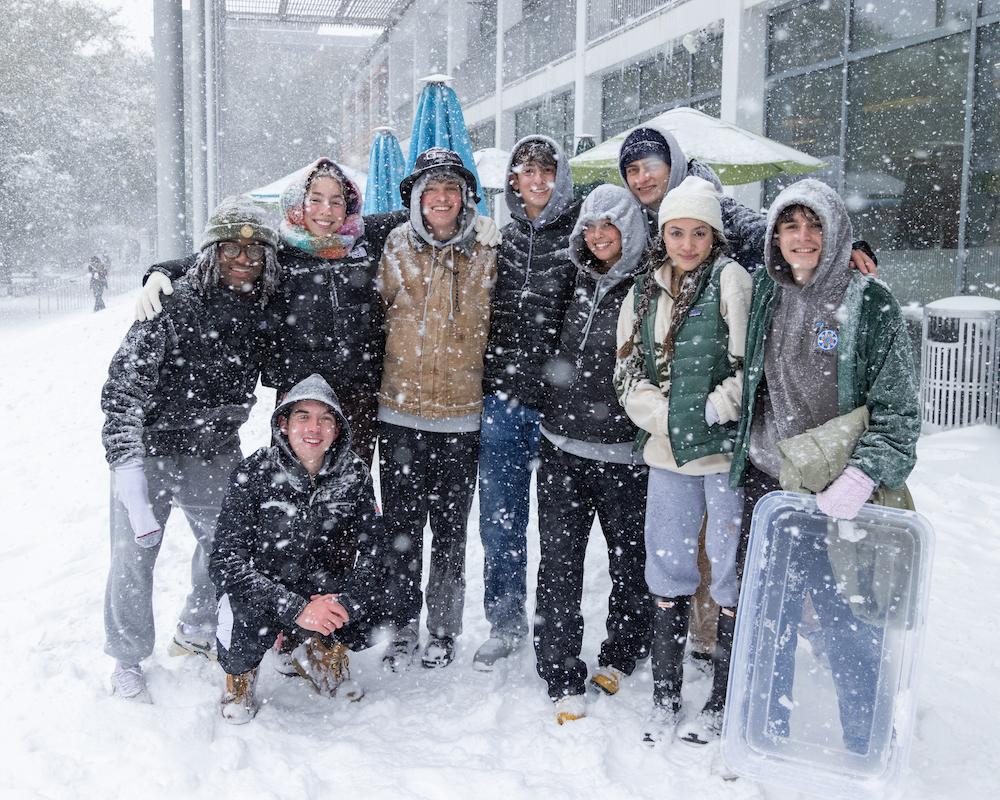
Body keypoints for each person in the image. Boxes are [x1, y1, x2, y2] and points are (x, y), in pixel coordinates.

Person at [617, 124, 878, 667]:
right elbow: (628, 363)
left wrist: (837, 244)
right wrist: (663, 415)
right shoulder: (640, 254)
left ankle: (740, 672)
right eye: (633, 169)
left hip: (740, 447)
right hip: (671, 444)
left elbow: (776, 232)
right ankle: (688, 662)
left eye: (651, 166)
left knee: (740, 561)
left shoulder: (729, 257)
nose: (642, 177)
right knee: (676, 556)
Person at [134, 161, 500, 466]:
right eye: (316, 200)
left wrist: (475, 221)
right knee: (293, 496)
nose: (327, 211)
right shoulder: (278, 248)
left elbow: (428, 213)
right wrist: (163, 271)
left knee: (348, 496)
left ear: (349, 206)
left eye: (336, 201)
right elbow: (220, 259)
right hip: (298, 395)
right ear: (300, 203)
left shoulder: (365, 237)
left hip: (358, 394)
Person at [729, 178, 920, 753]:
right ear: (776, 235)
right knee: (769, 618)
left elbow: (900, 413)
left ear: (836, 230)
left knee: (847, 623)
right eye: (790, 226)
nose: (803, 237)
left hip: (840, 495)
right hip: (770, 489)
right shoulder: (766, 289)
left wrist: (863, 475)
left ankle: (865, 741)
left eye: (815, 225)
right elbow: (720, 230)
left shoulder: (870, 302)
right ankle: (765, 730)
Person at [101, 198, 280, 702]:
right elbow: (121, 392)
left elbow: (320, 248)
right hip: (151, 450)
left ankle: (197, 625)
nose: (243, 258)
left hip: (215, 449)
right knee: (133, 556)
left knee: (227, 546)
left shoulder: (263, 307)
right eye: (230, 248)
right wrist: (127, 466)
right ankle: (128, 656)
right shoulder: (170, 305)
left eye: (254, 250)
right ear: (211, 252)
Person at [614, 176, 752, 745]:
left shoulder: (732, 281)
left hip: (721, 456)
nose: (687, 243)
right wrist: (664, 415)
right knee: (666, 567)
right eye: (677, 232)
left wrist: (716, 408)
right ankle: (666, 693)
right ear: (663, 234)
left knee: (726, 571)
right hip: (667, 455)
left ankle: (722, 699)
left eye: (699, 232)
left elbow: (751, 365)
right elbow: (625, 369)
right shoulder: (644, 290)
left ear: (714, 236)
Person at [532, 184, 651, 724]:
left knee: (630, 562)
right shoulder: (569, 279)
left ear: (631, 230)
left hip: (626, 455)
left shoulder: (650, 287)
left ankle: (622, 655)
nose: (599, 235)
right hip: (561, 449)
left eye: (611, 225)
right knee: (559, 563)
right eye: (591, 225)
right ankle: (559, 669)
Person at [377, 148, 497, 671]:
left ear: (466, 196)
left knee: (450, 532)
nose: (442, 198)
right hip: (400, 414)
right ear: (416, 199)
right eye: (432, 189)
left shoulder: (491, 249)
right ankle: (401, 624)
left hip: (462, 417)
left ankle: (443, 629)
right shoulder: (392, 245)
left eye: (452, 188)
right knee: (402, 531)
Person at [209, 373, 386, 723]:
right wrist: (293, 608)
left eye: (325, 419)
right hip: (264, 588)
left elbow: (375, 551)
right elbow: (225, 561)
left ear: (337, 430)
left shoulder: (354, 473)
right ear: (284, 424)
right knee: (239, 614)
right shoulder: (254, 471)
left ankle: (320, 649)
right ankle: (240, 674)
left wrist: (343, 603)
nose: (314, 428)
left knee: (385, 594)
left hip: (320, 586)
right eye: (303, 416)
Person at [474, 134, 580, 671]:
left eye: (547, 170)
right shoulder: (502, 238)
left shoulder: (584, 231)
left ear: (560, 176)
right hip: (502, 400)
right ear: (513, 179)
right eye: (527, 170)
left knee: (560, 527)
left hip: (561, 407)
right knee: (501, 519)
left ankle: (555, 623)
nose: (537, 179)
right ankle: (505, 618)